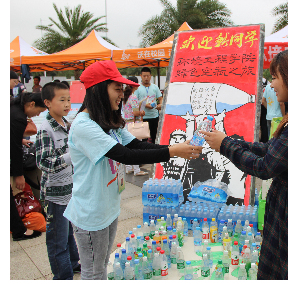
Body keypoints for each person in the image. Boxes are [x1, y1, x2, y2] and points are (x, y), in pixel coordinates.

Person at [63, 60, 202, 279]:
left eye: (122, 89)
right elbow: (126, 155)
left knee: (102, 264)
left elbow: (137, 145)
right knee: (93, 272)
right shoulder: (84, 125)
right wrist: (173, 151)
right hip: (91, 212)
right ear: (99, 90)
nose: (123, 94)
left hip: (107, 206)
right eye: (117, 89)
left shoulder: (106, 121)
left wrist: (173, 148)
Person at [202, 48, 288, 279]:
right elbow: (271, 149)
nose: (271, 84)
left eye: (275, 77)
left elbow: (264, 167)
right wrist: (231, 142)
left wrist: (226, 146)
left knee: (286, 274)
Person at [35, 82, 80, 279]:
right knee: (57, 240)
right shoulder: (46, 129)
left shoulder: (65, 124)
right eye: (62, 100)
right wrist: (70, 156)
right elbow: (43, 162)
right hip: (54, 195)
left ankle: (73, 263)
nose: (67, 104)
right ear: (47, 103)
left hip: (68, 190)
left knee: (68, 232)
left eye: (69, 99)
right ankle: (63, 276)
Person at [10, 90, 47, 241]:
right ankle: (19, 231)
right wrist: (19, 174)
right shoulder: (19, 118)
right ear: (31, 104)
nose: (38, 115)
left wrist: (20, 140)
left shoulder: (13, 107)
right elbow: (15, 149)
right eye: (39, 111)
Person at [121, 79, 147, 176]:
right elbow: (135, 112)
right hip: (134, 124)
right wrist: (141, 112)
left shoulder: (125, 96)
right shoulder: (133, 97)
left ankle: (128, 168)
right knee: (136, 147)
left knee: (128, 147)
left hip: (126, 124)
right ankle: (137, 170)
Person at [135, 67, 162, 143]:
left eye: (148, 76)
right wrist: (146, 105)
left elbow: (160, 98)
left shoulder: (155, 87)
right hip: (143, 117)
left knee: (155, 137)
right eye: (144, 76)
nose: (146, 78)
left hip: (154, 116)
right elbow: (135, 102)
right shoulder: (137, 87)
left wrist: (160, 104)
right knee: (143, 139)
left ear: (150, 76)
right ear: (141, 76)